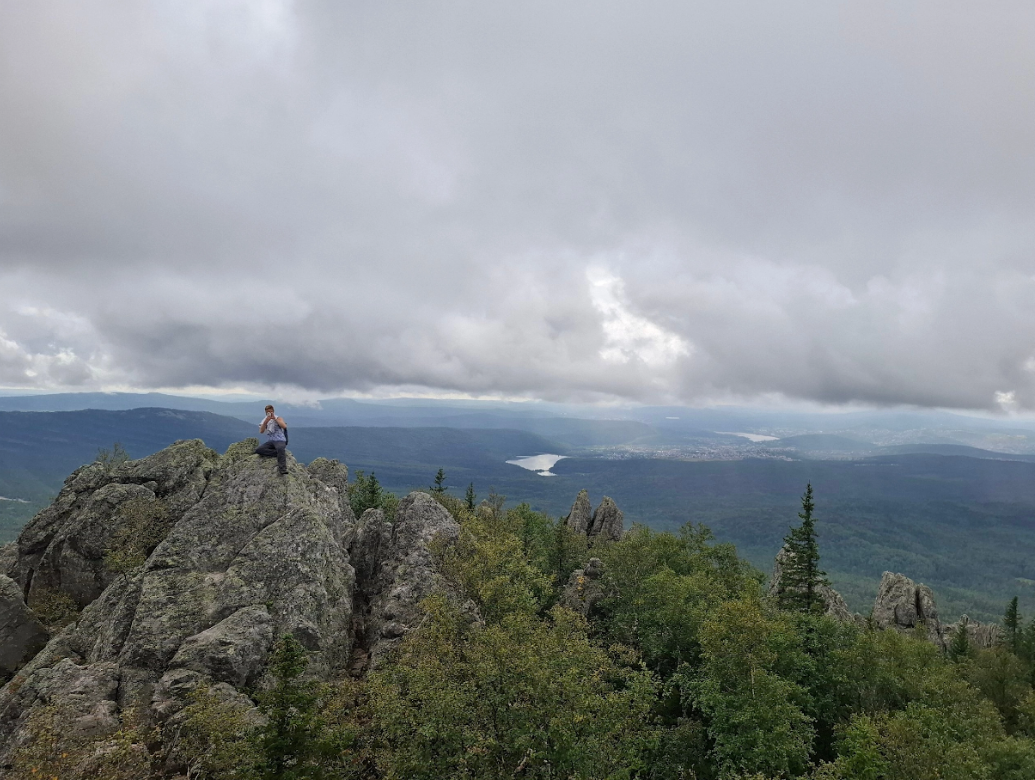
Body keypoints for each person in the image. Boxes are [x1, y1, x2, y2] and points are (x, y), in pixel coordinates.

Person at [255, 404, 289, 474]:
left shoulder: (278, 418)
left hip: (280, 440)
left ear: (273, 411)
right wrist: (266, 421)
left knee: (280, 448)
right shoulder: (265, 420)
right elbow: (261, 431)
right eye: (268, 412)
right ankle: (279, 454)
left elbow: (284, 426)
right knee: (259, 450)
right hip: (271, 441)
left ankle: (282, 469)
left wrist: (275, 419)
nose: (269, 413)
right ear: (266, 412)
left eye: (270, 411)